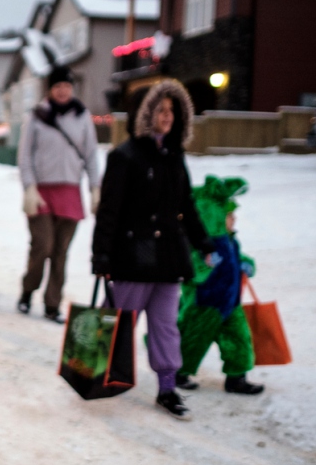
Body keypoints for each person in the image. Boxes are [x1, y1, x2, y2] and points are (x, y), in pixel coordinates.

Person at [92, 79, 216, 420]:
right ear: (145, 114)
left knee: (165, 326)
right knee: (119, 321)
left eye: (172, 110)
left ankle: (167, 387)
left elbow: (186, 206)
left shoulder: (175, 157)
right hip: (134, 255)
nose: (168, 116)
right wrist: (101, 255)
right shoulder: (125, 156)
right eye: (161, 110)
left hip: (169, 257)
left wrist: (203, 242)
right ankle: (96, 371)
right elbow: (109, 211)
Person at [16, 65, 101, 323]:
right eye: (57, 86)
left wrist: (95, 187)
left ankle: (52, 304)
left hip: (70, 192)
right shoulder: (37, 117)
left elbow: (91, 154)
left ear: (72, 88)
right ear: (50, 89)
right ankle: (27, 290)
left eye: (66, 86)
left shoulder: (82, 116)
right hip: (40, 192)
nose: (62, 91)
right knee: (43, 246)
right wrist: (29, 186)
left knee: (61, 251)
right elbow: (25, 155)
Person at [176, 175, 264, 394]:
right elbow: (190, 267)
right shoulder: (201, 244)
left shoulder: (230, 240)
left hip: (231, 302)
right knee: (193, 340)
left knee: (239, 339)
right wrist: (204, 267)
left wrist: (247, 263)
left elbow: (238, 257)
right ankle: (179, 372)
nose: (234, 219)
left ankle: (237, 377)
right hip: (205, 302)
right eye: (229, 215)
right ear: (214, 216)